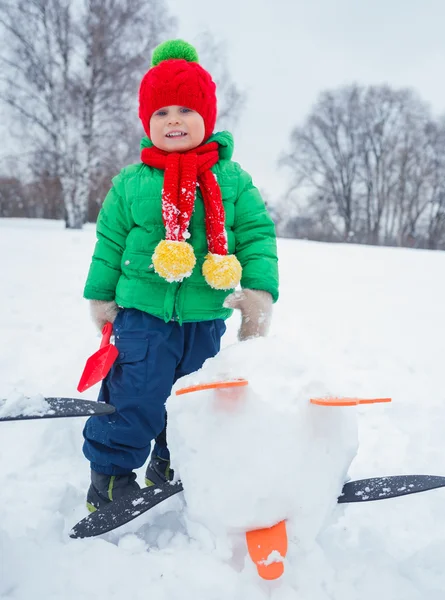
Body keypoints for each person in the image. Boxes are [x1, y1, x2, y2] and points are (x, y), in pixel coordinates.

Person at [82, 39, 279, 511]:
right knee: (135, 398)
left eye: (186, 110)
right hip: (142, 318)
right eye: (161, 112)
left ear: (207, 118)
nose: (173, 120)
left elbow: (256, 235)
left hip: (205, 315)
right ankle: (109, 479)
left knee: (194, 399)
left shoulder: (232, 179)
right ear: (148, 124)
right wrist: (100, 299)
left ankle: (176, 463)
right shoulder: (131, 182)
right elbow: (109, 243)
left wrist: (257, 292)